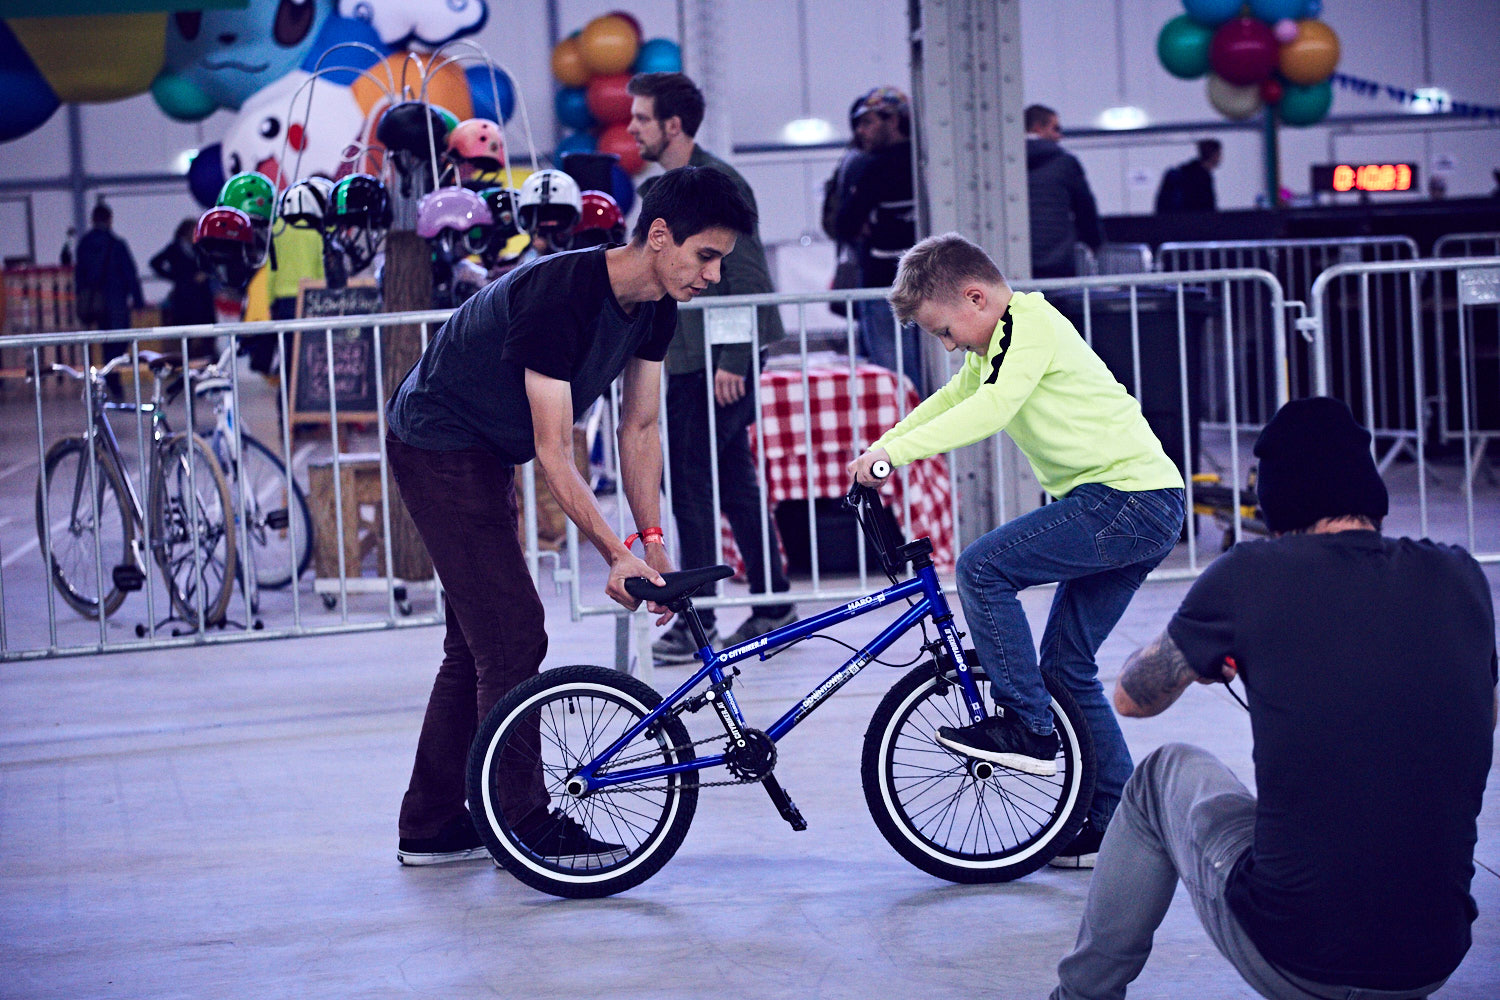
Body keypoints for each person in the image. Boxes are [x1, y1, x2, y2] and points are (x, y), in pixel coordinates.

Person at [1052, 396, 1497, 1000]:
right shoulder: (1460, 575)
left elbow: (1132, 698)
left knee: (1161, 775)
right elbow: (1477, 711)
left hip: (1299, 954)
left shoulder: (1249, 574)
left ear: (1276, 498)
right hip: (1431, 957)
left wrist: (1202, 658)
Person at [385, 166, 756, 864]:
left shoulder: (657, 305)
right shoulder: (561, 295)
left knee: (479, 642)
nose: (711, 274)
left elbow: (638, 430)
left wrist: (651, 539)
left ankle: (431, 824)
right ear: (658, 236)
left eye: (720, 261)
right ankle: (523, 824)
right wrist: (616, 552)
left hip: (484, 446)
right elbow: (555, 452)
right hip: (437, 441)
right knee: (514, 632)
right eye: (704, 255)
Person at [847, 232, 1184, 867]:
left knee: (982, 566)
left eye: (946, 330)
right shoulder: (996, 339)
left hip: (1126, 500)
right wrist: (881, 445)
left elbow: (994, 408)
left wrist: (895, 454)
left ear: (976, 297)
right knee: (1066, 668)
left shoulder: (1030, 323)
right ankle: (1114, 821)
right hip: (1133, 503)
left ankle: (1029, 727)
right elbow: (956, 397)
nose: (947, 346)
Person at [625, 71, 797, 664]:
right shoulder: (676, 186)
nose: (631, 127)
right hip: (693, 359)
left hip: (714, 362)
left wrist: (732, 358)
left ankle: (696, 620)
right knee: (728, 479)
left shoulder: (715, 183)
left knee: (694, 482)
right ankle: (772, 602)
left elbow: (746, 278)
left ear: (673, 125)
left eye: (641, 118)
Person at [833, 86, 921, 385]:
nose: (861, 130)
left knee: (893, 375)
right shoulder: (925, 162)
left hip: (882, 283)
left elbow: (844, 223)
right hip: (929, 283)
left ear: (893, 121)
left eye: (868, 121)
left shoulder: (873, 167)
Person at [1024, 105, 1102, 279]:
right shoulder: (1065, 162)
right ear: (1038, 127)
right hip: (1057, 259)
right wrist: (1094, 243)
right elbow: (1085, 208)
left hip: (1015, 259)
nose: (1060, 136)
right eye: (1055, 128)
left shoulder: (1005, 162)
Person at [73, 202, 143, 331]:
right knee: (119, 341)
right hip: (116, 301)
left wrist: (82, 296)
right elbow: (130, 274)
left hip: (94, 302)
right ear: (109, 219)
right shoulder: (116, 244)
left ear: (92, 220)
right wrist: (138, 302)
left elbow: (79, 274)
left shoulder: (84, 244)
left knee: (105, 341)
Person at [150, 219, 216, 327]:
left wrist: (205, 273)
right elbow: (155, 263)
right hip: (184, 296)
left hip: (202, 296)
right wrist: (175, 276)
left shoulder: (201, 247)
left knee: (206, 329)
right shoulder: (175, 248)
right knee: (186, 328)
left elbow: (212, 264)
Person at [1154, 139, 1221, 214]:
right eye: (1219, 154)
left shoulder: (1183, 172)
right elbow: (1205, 205)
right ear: (1214, 155)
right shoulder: (1201, 177)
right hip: (1192, 221)